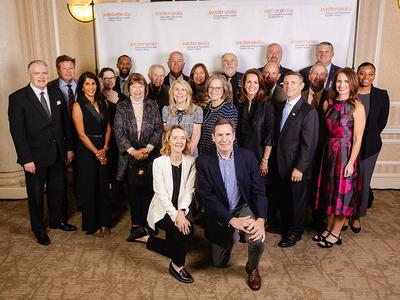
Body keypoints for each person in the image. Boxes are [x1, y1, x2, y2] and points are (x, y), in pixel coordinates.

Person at [8, 60, 76, 246]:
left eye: (44, 73)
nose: (42, 76)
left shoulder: (56, 92)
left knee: (58, 191)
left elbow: (65, 124)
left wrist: (69, 148)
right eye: (37, 73)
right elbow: (17, 132)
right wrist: (26, 159)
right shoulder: (18, 98)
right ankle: (39, 230)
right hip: (34, 159)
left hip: (57, 154)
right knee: (36, 195)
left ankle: (57, 221)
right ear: (29, 74)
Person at [196, 118, 267, 291]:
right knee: (219, 262)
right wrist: (231, 221)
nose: (224, 139)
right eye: (219, 135)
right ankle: (234, 232)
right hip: (220, 211)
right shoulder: (204, 161)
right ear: (212, 137)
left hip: (241, 206)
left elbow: (259, 191)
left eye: (228, 134)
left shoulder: (247, 157)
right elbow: (208, 198)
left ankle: (253, 267)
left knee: (257, 237)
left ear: (234, 135)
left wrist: (261, 220)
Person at [132, 126, 196, 283]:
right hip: (162, 211)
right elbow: (161, 195)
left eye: (182, 138)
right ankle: (176, 266)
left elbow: (190, 191)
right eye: (175, 138)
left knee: (181, 244)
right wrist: (176, 216)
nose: (179, 141)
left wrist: (181, 212)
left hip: (180, 210)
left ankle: (147, 239)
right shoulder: (159, 163)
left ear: (187, 141)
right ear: (168, 141)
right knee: (186, 232)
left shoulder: (191, 161)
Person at [314, 68, 366, 247]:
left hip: (345, 154)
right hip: (328, 153)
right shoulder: (328, 103)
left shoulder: (357, 107)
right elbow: (323, 131)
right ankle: (329, 229)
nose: (342, 85)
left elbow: (358, 139)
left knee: (342, 196)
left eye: (345, 81)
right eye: (338, 81)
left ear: (352, 83)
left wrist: (351, 163)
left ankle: (336, 233)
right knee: (329, 193)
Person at [269, 71, 319, 247]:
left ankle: (295, 233)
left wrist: (300, 168)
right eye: (286, 83)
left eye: (293, 83)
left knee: (298, 202)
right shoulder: (280, 105)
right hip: (281, 163)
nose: (289, 86)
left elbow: (309, 144)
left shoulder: (308, 111)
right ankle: (286, 226)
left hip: (297, 166)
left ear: (302, 86)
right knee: (285, 199)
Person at [114, 73, 163, 241]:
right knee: (134, 192)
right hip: (129, 156)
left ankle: (149, 223)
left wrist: (148, 149)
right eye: (134, 87)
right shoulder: (121, 107)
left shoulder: (153, 105)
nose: (137, 90)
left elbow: (158, 130)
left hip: (149, 155)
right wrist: (132, 151)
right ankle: (136, 225)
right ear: (128, 89)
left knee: (149, 190)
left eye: (140, 87)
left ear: (145, 88)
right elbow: (118, 132)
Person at [350, 62, 389, 232]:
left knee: (363, 182)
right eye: (362, 73)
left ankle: (357, 215)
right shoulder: (350, 93)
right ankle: (344, 214)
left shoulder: (381, 95)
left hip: (370, 147)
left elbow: (382, 122)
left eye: (370, 74)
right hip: (348, 145)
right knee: (347, 181)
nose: (366, 78)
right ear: (357, 74)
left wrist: (367, 136)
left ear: (374, 75)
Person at [72, 72, 112, 237]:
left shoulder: (104, 103)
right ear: (82, 87)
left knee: (103, 186)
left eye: (93, 83)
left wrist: (105, 148)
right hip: (87, 150)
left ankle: (105, 221)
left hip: (103, 147)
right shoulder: (77, 105)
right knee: (90, 187)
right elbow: (81, 134)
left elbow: (109, 126)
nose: (91, 87)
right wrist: (97, 152)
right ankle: (92, 224)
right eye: (87, 84)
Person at [48, 55, 80, 211]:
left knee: (80, 172)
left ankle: (82, 204)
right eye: (64, 68)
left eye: (71, 68)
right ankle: (63, 209)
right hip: (60, 137)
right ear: (58, 70)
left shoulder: (83, 85)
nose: (68, 71)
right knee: (59, 176)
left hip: (81, 135)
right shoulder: (49, 87)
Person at [236, 69, 274, 178]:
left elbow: (270, 134)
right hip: (240, 156)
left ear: (260, 84)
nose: (252, 85)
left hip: (259, 156)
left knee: (258, 190)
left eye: (255, 82)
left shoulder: (267, 103)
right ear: (243, 84)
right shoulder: (239, 103)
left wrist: (265, 160)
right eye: (249, 82)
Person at [99, 67, 126, 213]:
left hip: (119, 141)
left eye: (112, 78)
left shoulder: (122, 97)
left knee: (117, 170)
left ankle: (116, 201)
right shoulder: (96, 96)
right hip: (103, 140)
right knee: (105, 171)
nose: (109, 81)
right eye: (106, 78)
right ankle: (105, 204)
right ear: (101, 80)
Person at [199, 73, 238, 155]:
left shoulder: (229, 109)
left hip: (220, 156)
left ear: (224, 89)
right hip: (205, 154)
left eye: (218, 88)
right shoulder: (207, 107)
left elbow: (228, 138)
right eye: (211, 87)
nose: (214, 91)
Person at [162, 79, 203, 157]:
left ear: (188, 93)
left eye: (183, 89)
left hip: (190, 154)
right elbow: (164, 135)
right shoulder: (166, 110)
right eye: (176, 89)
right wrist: (166, 153)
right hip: (170, 154)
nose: (179, 93)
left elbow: (196, 136)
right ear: (172, 93)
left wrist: (185, 156)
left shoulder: (197, 110)